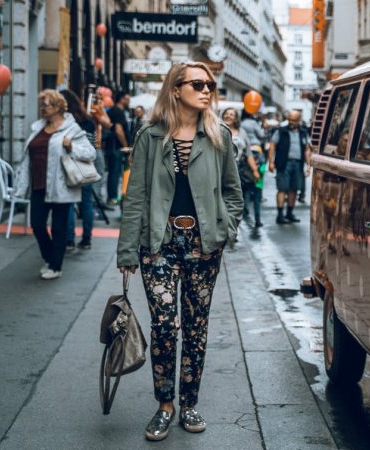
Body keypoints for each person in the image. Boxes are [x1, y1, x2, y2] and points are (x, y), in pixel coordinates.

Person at [117, 61, 242, 441]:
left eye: (210, 85)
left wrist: (226, 227)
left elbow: (233, 192)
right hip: (159, 244)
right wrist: (127, 252)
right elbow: (135, 197)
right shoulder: (150, 136)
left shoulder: (218, 134)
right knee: (165, 327)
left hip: (204, 245)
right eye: (198, 84)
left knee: (196, 327)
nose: (207, 90)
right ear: (176, 89)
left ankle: (189, 402)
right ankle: (164, 405)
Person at [15, 89, 97, 280]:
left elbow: (90, 153)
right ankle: (51, 258)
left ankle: (56, 266)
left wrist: (72, 147)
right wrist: (21, 184)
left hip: (61, 186)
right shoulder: (37, 128)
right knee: (36, 224)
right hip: (38, 184)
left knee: (59, 228)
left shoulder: (72, 129)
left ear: (58, 107)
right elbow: (28, 158)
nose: (43, 108)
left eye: (47, 105)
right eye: (42, 104)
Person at [62, 89, 99, 250]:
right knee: (86, 203)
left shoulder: (65, 123)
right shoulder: (88, 120)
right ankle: (87, 240)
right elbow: (92, 146)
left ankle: (69, 240)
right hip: (85, 166)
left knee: (69, 202)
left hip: (68, 165)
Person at [267, 110, 309, 224]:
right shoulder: (281, 131)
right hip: (284, 163)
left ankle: (290, 213)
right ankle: (280, 215)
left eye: (294, 120)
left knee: (293, 189)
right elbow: (272, 146)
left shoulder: (303, 132)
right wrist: (270, 162)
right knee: (282, 189)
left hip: (298, 164)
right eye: (290, 119)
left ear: (299, 120)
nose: (291, 122)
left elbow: (306, 149)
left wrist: (308, 165)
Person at [223, 108, 262, 227]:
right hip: (220, 168)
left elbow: (248, 153)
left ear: (236, 118)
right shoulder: (216, 129)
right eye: (226, 114)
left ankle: (233, 227)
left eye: (232, 114)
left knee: (235, 199)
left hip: (237, 169)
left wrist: (255, 170)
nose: (229, 116)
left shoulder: (242, 132)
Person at [104, 91, 131, 206]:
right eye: (127, 98)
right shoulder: (118, 111)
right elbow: (119, 131)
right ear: (121, 99)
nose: (129, 101)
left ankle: (112, 197)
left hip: (112, 146)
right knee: (114, 172)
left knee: (113, 172)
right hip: (116, 147)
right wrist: (125, 146)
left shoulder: (114, 110)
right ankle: (113, 197)